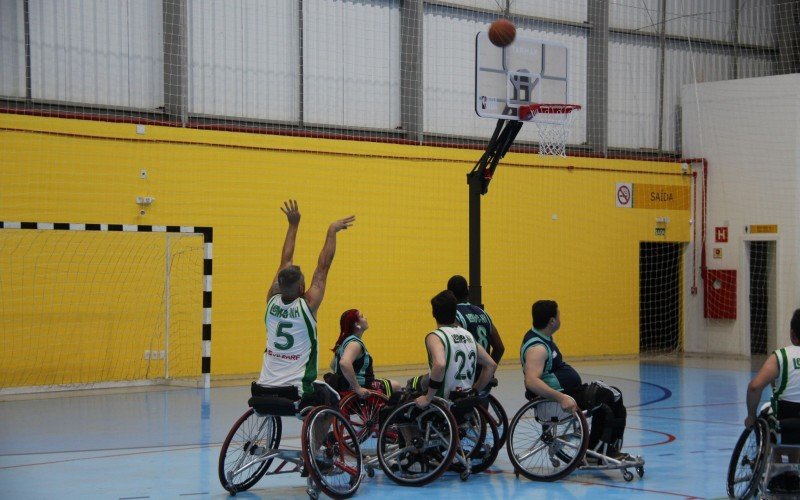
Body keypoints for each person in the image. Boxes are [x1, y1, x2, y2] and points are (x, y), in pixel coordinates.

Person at [255, 199, 355, 400]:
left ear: (279, 285)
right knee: (333, 399)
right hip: (296, 390)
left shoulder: (271, 300)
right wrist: (331, 231)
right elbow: (323, 267)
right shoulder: (307, 305)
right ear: (302, 288)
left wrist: (293, 225)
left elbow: (285, 260)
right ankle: (324, 433)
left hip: (263, 386)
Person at [521, 299, 632, 461]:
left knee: (614, 394)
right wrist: (562, 397)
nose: (560, 318)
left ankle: (607, 447)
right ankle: (596, 450)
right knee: (605, 398)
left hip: (569, 392)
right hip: (557, 399)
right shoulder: (537, 348)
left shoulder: (544, 337)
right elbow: (531, 381)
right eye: (558, 315)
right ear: (552, 321)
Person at [414, 290, 497, 409]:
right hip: (464, 397)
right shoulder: (468, 336)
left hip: (444, 401)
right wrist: (474, 391)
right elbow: (491, 365)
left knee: (410, 386)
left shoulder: (436, 336)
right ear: (455, 312)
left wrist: (428, 398)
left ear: (434, 313)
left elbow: (440, 364)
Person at [745, 308, 800, 429]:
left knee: (766, 410)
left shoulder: (781, 356)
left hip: (786, 419)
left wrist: (751, 416)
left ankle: (769, 446)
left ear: (792, 333)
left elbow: (754, 387)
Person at [329, 308, 402, 398]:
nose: (365, 318)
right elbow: (344, 363)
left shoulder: (343, 342)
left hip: (343, 387)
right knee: (396, 386)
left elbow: (333, 365)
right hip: (361, 386)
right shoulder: (354, 344)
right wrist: (357, 387)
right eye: (362, 316)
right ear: (357, 324)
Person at [447, 275, 505, 365]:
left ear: (449, 294)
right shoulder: (483, 313)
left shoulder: (454, 315)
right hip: (485, 374)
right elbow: (499, 348)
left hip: (468, 376)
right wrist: (489, 370)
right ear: (468, 292)